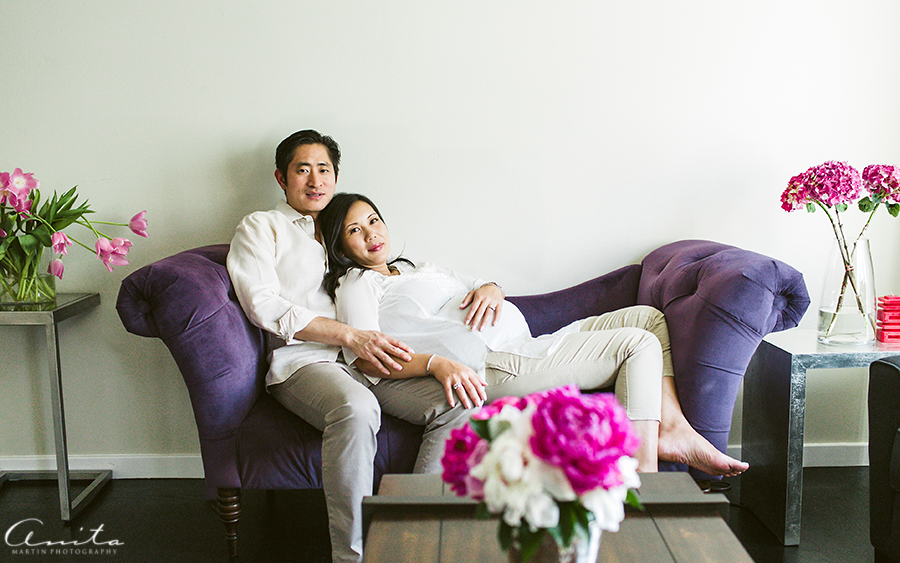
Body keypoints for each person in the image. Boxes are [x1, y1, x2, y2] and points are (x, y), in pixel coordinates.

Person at [317, 192, 750, 478]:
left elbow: (480, 288)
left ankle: (669, 427)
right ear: (341, 244)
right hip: (492, 364)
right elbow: (364, 356)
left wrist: (492, 288)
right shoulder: (358, 284)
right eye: (356, 230)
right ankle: (646, 476)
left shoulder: (418, 269)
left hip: (524, 347)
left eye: (374, 220)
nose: (372, 234)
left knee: (647, 319)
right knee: (637, 344)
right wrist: (437, 363)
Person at [227, 130, 471, 563]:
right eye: (303, 169)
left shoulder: (347, 228)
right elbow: (262, 304)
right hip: (308, 361)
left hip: (371, 362)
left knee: (460, 401)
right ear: (282, 178)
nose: (315, 180)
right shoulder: (264, 226)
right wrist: (347, 336)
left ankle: (410, 537)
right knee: (357, 409)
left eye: (324, 169)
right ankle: (353, 556)